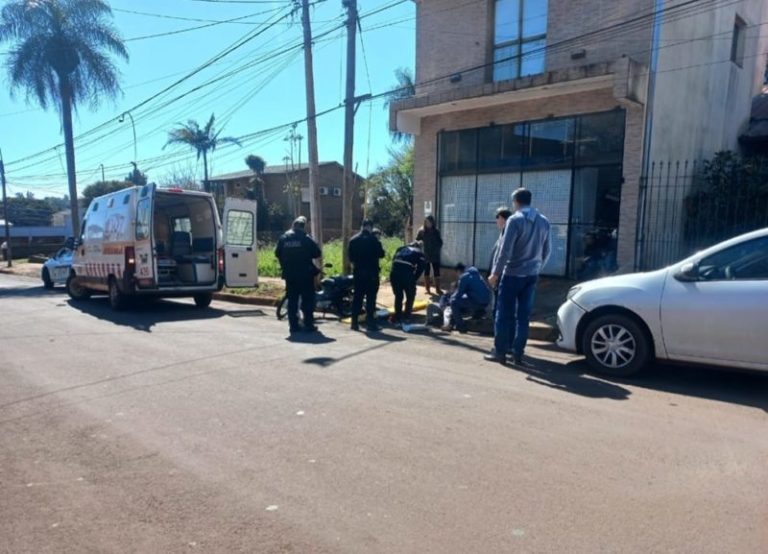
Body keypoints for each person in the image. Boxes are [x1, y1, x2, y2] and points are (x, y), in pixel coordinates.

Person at [486, 189, 551, 365]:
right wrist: (537, 267)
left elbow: (505, 250)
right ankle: (518, 353)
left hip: (512, 274)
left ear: (516, 201)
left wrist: (495, 273)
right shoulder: (544, 221)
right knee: (523, 317)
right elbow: (546, 251)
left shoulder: (514, 220)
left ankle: (499, 352)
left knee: (503, 314)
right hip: (531, 276)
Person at [275, 216, 322, 334]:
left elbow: (277, 253)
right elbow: (317, 253)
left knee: (292, 301)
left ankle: (293, 326)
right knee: (307, 300)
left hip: (290, 276)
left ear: (293, 225)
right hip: (305, 276)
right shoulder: (306, 238)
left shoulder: (284, 238)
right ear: (303, 227)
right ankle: (308, 324)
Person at [348, 218, 385, 332]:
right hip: (371, 274)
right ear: (370, 227)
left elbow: (350, 258)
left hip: (358, 273)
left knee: (357, 298)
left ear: (362, 226)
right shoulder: (374, 240)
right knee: (371, 299)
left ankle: (354, 323)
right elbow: (381, 254)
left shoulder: (353, 240)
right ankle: (370, 324)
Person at [443, 263, 491, 333]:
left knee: (454, 302)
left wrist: (450, 299)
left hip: (477, 302)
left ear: (459, 271)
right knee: (465, 298)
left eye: (457, 273)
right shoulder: (477, 275)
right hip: (485, 302)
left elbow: (459, 294)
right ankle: (479, 312)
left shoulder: (464, 277)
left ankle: (460, 326)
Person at [389, 241, 427, 325]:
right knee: (410, 295)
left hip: (394, 273)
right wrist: (414, 278)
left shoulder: (400, 249)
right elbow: (421, 268)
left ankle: (397, 316)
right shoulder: (419, 253)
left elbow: (393, 261)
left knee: (398, 296)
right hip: (406, 273)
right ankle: (406, 317)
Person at [415, 215, 443, 295]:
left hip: (435, 255)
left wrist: (436, 249)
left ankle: (438, 289)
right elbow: (417, 241)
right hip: (425, 254)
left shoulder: (436, 231)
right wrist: (419, 245)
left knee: (436, 271)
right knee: (426, 271)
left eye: (429, 222)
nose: (428, 224)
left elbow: (440, 242)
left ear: (432, 222)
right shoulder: (421, 231)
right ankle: (427, 289)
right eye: (426, 222)